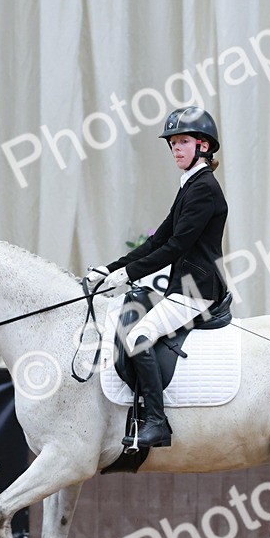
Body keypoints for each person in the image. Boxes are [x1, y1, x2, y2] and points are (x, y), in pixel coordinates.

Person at [86, 106, 228, 449]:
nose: (175, 148)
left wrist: (127, 274)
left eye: (183, 142)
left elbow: (178, 246)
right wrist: (110, 268)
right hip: (184, 286)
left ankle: (156, 421)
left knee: (138, 338)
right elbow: (159, 239)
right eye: (173, 143)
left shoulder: (204, 188)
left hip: (196, 290)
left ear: (203, 147)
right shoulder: (190, 186)